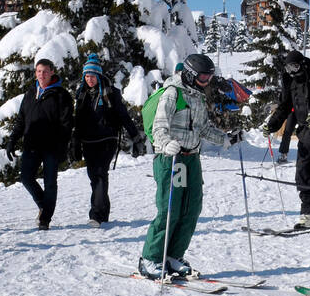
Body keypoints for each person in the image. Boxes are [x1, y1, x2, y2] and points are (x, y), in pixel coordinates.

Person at [138, 53, 233, 279]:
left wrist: (224, 139)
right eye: (202, 77)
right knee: (169, 209)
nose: (206, 82)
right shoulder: (172, 94)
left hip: (191, 158)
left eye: (209, 78)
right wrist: (165, 143)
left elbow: (202, 128)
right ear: (190, 74)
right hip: (172, 158)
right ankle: (150, 258)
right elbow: (160, 127)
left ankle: (173, 255)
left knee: (191, 208)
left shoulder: (197, 96)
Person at [72, 55, 141, 227]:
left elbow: (124, 116)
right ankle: (103, 214)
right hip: (88, 141)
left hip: (107, 139)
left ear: (99, 76)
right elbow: (77, 121)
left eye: (92, 76)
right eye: (87, 76)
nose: (90, 79)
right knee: (94, 178)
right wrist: (75, 143)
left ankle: (95, 215)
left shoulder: (111, 93)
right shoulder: (81, 94)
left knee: (100, 174)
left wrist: (136, 137)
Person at [267, 50, 310, 229]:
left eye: (295, 67)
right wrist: (272, 124)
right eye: (288, 68)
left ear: (302, 64)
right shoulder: (291, 82)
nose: (292, 71)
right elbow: (284, 106)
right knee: (303, 173)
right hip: (305, 132)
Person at [9, 58, 75, 230]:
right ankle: (42, 204)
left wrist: (63, 147)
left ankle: (45, 219)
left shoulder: (61, 95)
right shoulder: (30, 93)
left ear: (52, 72)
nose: (41, 74)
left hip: (52, 147)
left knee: (50, 182)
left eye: (45, 71)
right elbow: (21, 120)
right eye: (38, 71)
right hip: (31, 145)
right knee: (25, 178)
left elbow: (66, 124)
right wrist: (12, 140)